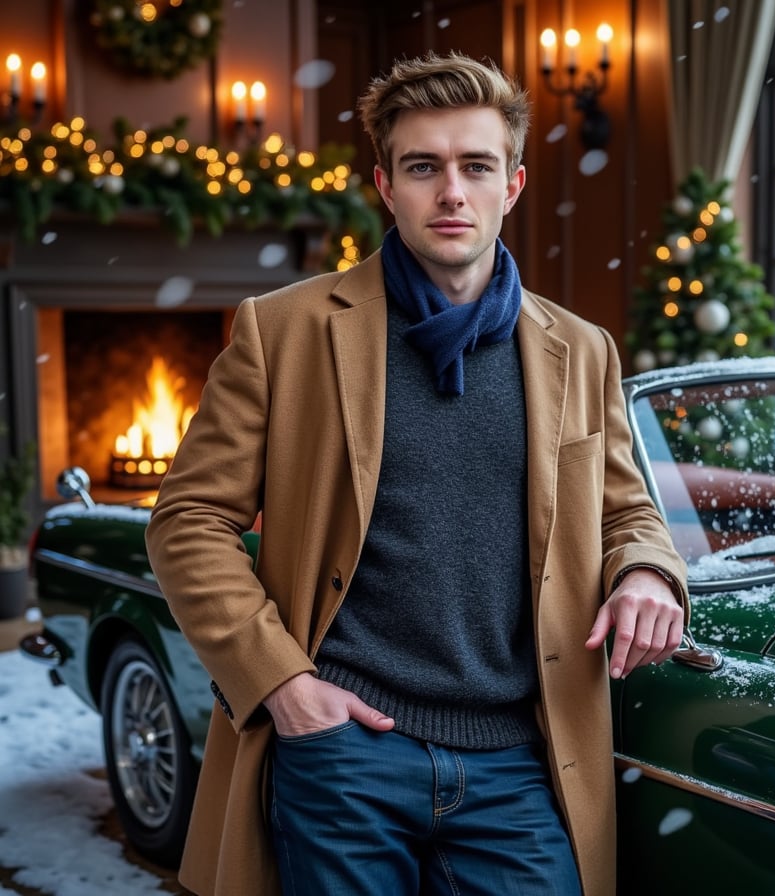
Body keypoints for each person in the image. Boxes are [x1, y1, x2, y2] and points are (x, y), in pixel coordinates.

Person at [145, 50, 689, 896]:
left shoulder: (580, 349)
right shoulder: (282, 331)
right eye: (423, 167)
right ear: (385, 183)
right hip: (345, 750)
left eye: (476, 166)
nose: (451, 193)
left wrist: (649, 571)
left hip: (520, 754)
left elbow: (626, 511)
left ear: (511, 185)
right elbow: (188, 521)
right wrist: (284, 684)